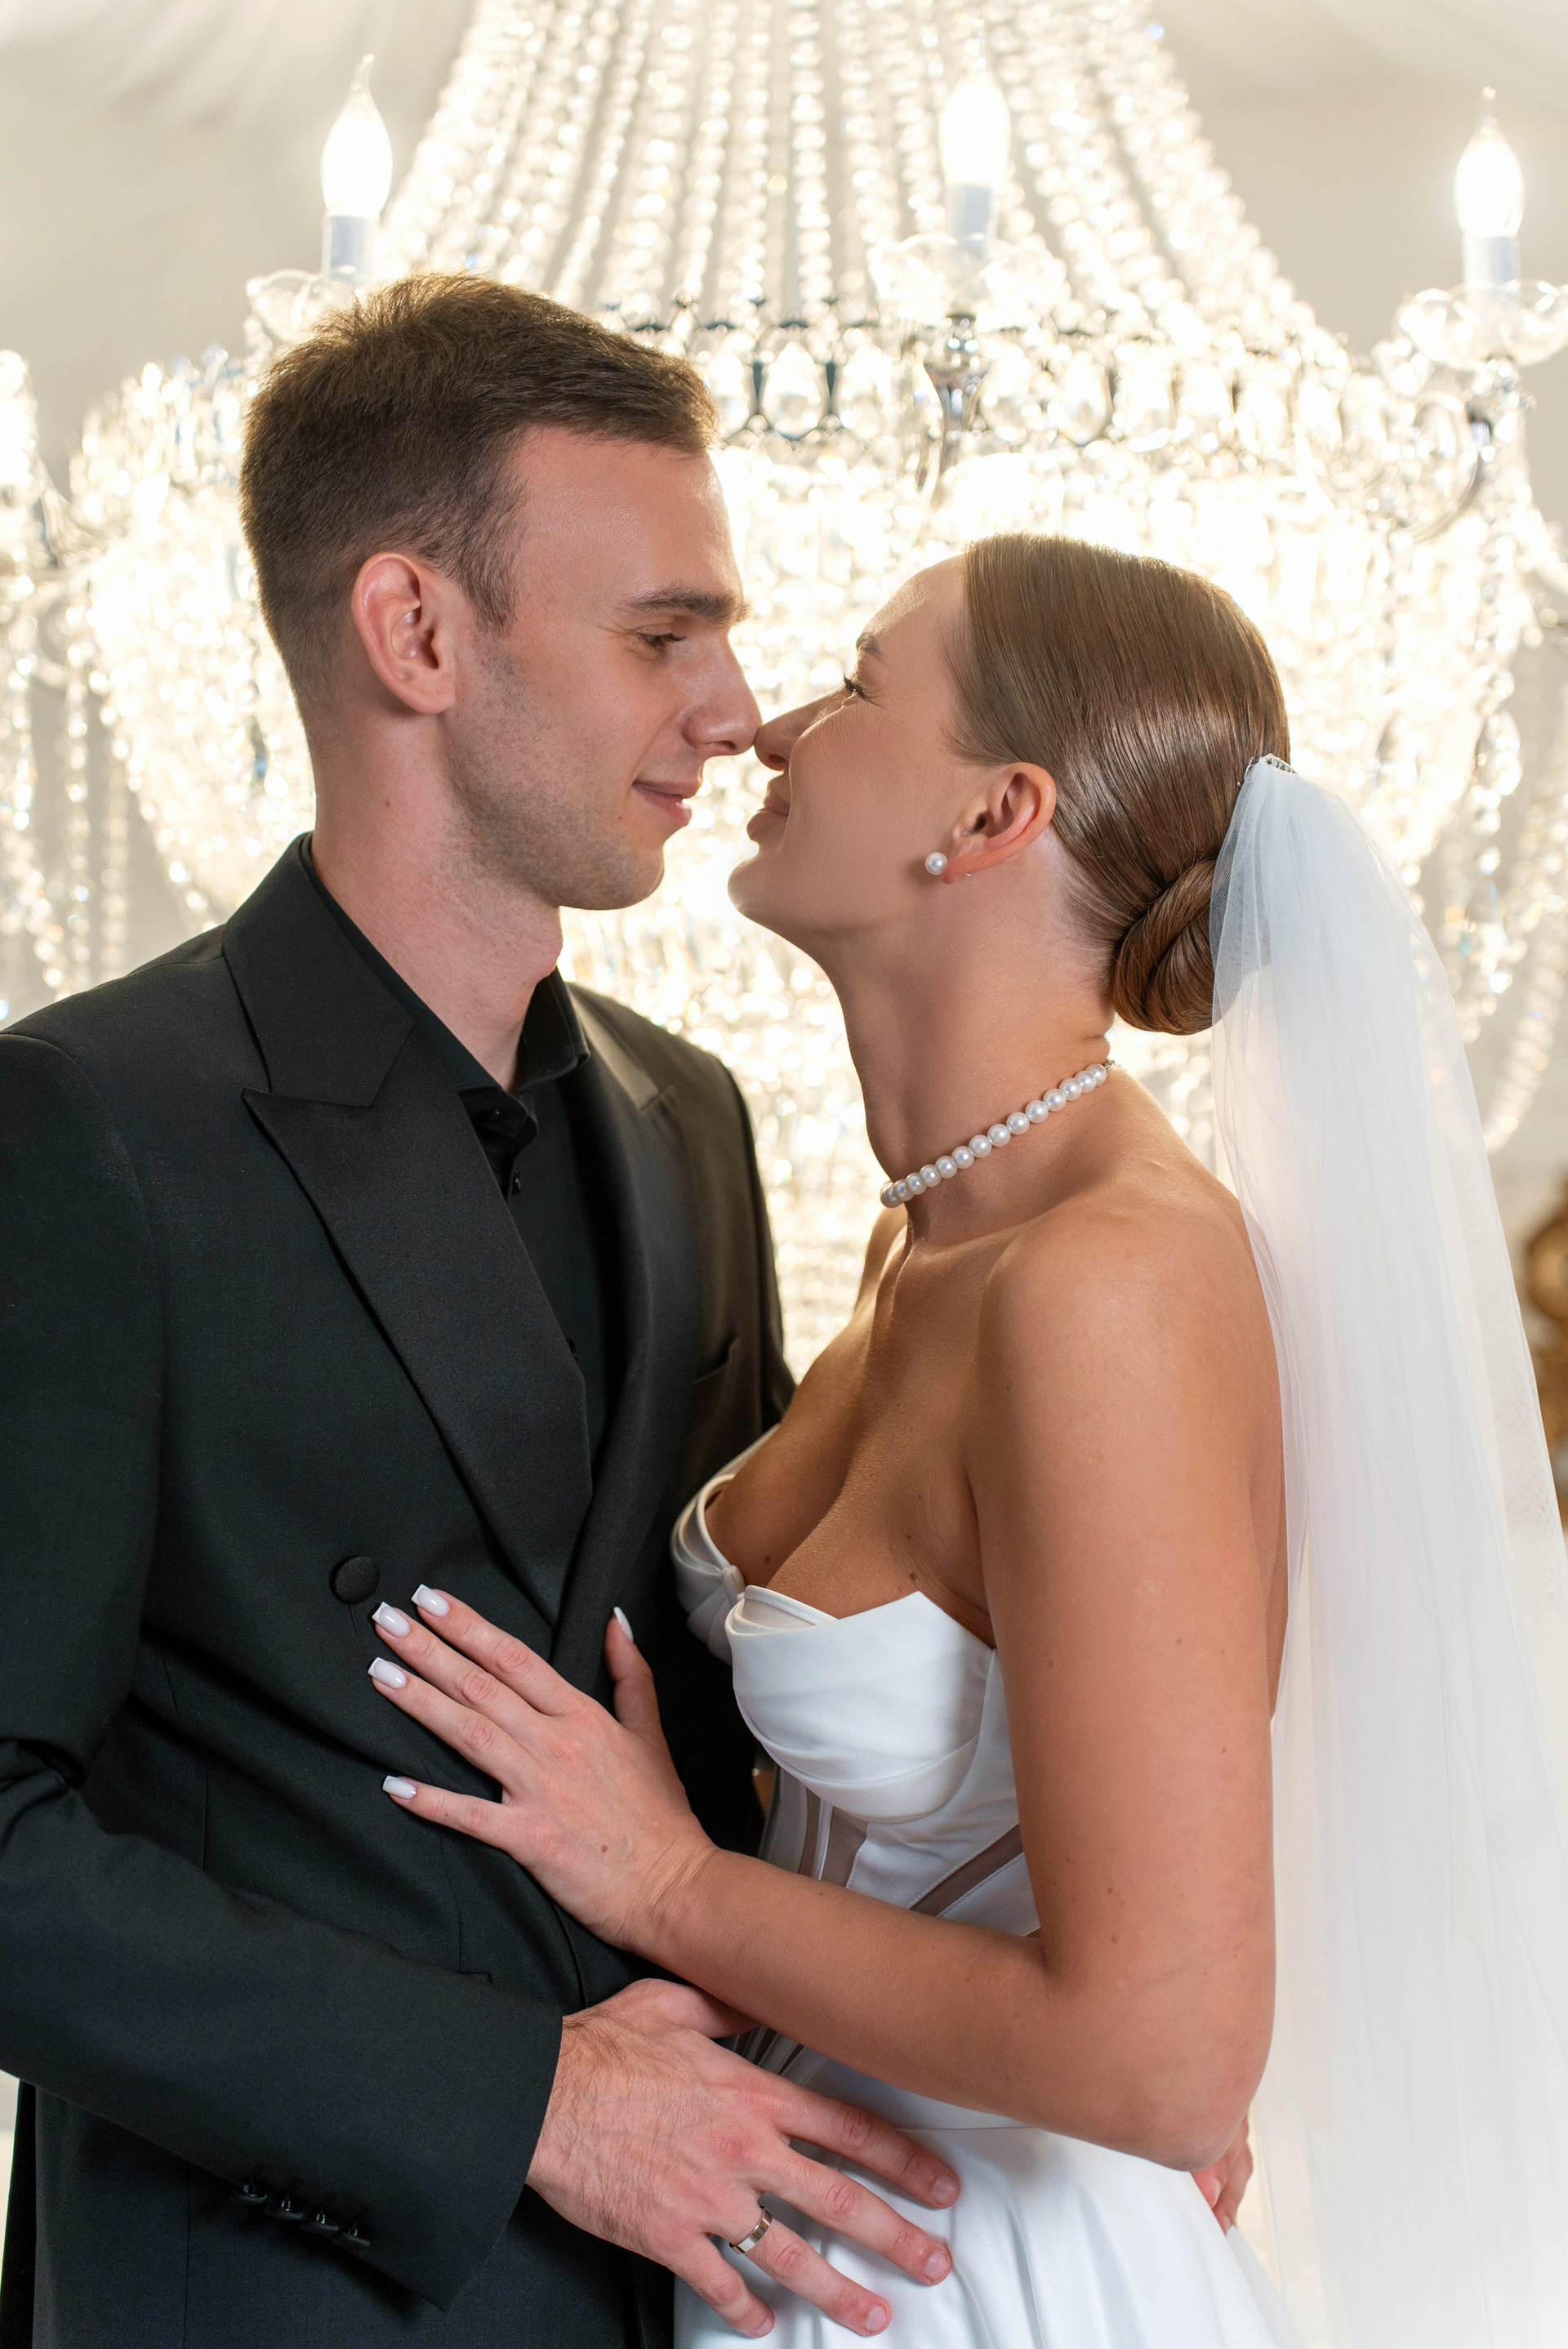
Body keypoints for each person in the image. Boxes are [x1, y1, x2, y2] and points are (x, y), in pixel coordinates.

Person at [363, 535, 1568, 2347]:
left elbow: (1163, 2056)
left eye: (857, 683)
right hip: (799, 2228)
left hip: (991, 2273)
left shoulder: (1106, 1284)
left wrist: (671, 1881)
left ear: (995, 815)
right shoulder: (926, 1243)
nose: (770, 726)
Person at [0, 275, 973, 2349]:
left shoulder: (691, 1121)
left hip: (708, 2285)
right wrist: (524, 2101)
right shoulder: (86, 1125)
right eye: (663, 633)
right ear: (418, 635)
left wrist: (1060, 2035)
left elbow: (751, 1720)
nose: (737, 709)